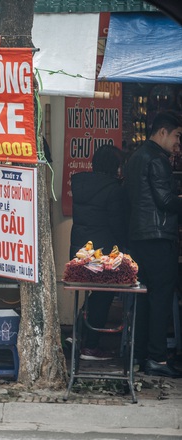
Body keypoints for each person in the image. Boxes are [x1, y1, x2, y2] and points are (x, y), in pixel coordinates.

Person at [124, 110, 182, 378]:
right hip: (158, 238)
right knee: (160, 299)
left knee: (145, 298)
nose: (177, 143)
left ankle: (139, 354)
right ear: (162, 132)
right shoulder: (157, 159)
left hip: (138, 238)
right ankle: (157, 358)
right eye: (176, 136)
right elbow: (165, 201)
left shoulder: (135, 157)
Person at [70, 144, 129, 361]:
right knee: (104, 293)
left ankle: (77, 335)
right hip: (101, 258)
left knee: (94, 292)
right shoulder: (114, 190)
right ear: (115, 167)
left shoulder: (80, 184)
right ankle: (91, 346)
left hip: (79, 256)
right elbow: (118, 226)